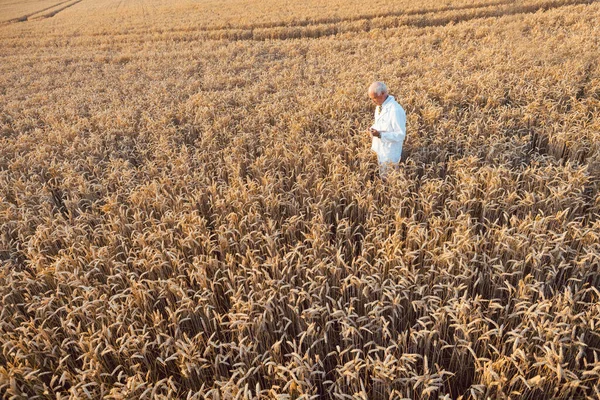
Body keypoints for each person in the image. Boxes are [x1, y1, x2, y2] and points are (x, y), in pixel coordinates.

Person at [367, 81, 406, 178]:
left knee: (388, 179)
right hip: (379, 148)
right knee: (378, 176)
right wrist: (372, 129)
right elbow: (381, 124)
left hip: (389, 152)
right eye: (371, 99)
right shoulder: (379, 107)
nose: (373, 101)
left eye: (375, 98)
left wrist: (380, 135)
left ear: (383, 94)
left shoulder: (395, 110)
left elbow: (400, 134)